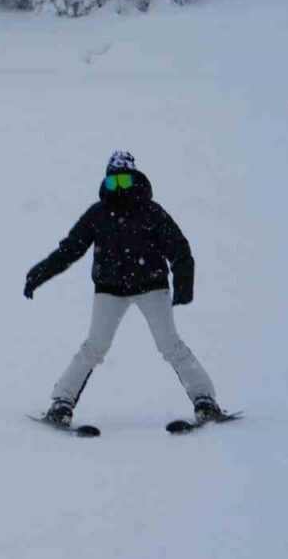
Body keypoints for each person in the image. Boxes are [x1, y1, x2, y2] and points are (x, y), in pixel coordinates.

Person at [24, 151, 223, 427]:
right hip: (109, 290)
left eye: (125, 181)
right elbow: (70, 249)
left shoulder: (152, 213)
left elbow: (179, 248)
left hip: (152, 287)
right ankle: (62, 403)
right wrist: (39, 274)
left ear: (136, 180)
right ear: (105, 184)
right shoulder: (98, 214)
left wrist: (183, 284)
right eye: (112, 183)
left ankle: (205, 401)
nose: (119, 188)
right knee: (94, 347)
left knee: (170, 345)